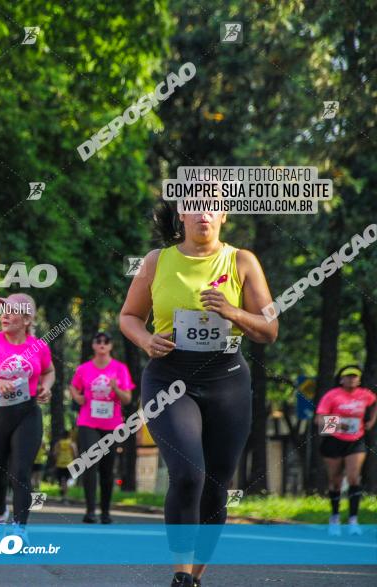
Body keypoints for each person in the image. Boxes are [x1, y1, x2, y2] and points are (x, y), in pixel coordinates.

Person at [119, 203, 278, 587]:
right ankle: (180, 574)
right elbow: (129, 316)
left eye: (214, 207)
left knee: (216, 483)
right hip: (170, 378)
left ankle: (196, 573)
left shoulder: (241, 261)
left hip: (227, 381)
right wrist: (145, 340)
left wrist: (232, 312)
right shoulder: (156, 261)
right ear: (182, 216)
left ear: (224, 215)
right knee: (188, 474)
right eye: (195, 207)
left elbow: (269, 329)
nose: (204, 214)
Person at [0, 293, 55, 539]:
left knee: (20, 470)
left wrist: (46, 387)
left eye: (11, 311)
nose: (4, 315)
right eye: (2, 310)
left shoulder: (38, 346)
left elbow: (49, 371)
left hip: (27, 412)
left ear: (27, 318)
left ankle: (20, 528)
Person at [69, 331, 135, 523]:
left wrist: (115, 388)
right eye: (98, 341)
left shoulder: (120, 369)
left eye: (106, 341)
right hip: (88, 421)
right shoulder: (84, 369)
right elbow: (73, 387)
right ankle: (90, 511)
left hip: (112, 424)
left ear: (111, 346)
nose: (102, 344)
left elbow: (128, 399)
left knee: (107, 469)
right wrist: (77, 396)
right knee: (90, 463)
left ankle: (105, 512)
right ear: (93, 345)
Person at [316, 365, 376, 536]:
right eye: (348, 377)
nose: (352, 379)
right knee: (335, 481)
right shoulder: (332, 395)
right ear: (341, 379)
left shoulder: (365, 394)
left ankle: (353, 520)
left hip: (356, 441)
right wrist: (340, 423)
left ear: (359, 379)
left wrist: (371, 422)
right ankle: (334, 518)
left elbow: (374, 404)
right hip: (334, 441)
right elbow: (319, 420)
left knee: (353, 477)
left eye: (355, 377)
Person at [52, 429, 77, 505]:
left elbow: (55, 454)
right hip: (69, 464)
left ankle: (63, 496)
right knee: (65, 481)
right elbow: (75, 454)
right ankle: (65, 497)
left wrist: (56, 460)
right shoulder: (72, 444)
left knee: (61, 480)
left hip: (60, 464)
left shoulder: (58, 443)